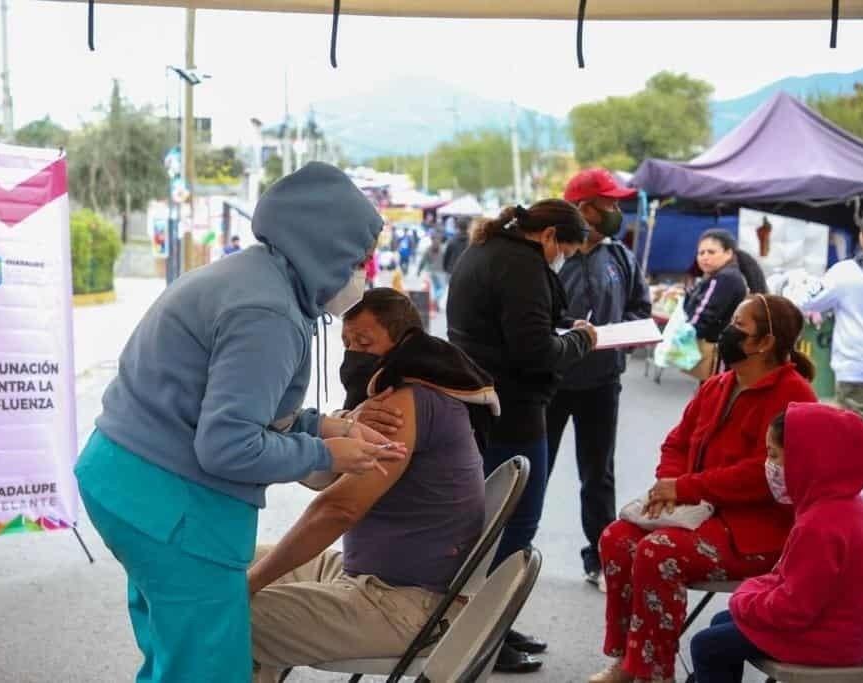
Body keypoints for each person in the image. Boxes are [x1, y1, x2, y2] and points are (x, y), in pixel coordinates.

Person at [74, 162, 406, 683]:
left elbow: (247, 406)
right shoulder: (268, 312)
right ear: (323, 247)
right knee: (207, 668)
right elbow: (227, 445)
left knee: (174, 655)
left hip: (128, 483)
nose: (364, 273)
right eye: (358, 258)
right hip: (169, 504)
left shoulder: (254, 278)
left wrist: (327, 427)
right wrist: (327, 455)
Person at [249, 289, 492, 683]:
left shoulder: (405, 400)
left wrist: (253, 585)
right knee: (228, 560)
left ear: (403, 342)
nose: (353, 355)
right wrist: (347, 422)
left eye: (364, 343)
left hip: (401, 601)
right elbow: (321, 475)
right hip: (368, 573)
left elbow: (336, 507)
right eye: (347, 343)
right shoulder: (393, 395)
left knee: (224, 611)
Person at [590, 294, 818, 683]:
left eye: (739, 327)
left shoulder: (794, 397)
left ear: (764, 343)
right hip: (697, 512)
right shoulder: (718, 385)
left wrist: (685, 487)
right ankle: (629, 660)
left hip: (754, 532)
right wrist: (669, 488)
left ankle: (652, 671)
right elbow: (676, 442)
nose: (728, 332)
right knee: (616, 538)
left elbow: (762, 474)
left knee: (657, 552)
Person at [448, 200, 597, 673]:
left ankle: (491, 621)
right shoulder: (521, 266)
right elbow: (534, 351)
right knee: (514, 523)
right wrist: (582, 339)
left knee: (487, 521)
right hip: (512, 409)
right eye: (565, 251)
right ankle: (486, 633)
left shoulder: (485, 248)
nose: (562, 260)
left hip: (479, 403)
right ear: (549, 235)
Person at [690, 403, 863, 683]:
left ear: (807, 459)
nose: (769, 465)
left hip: (826, 639)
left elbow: (793, 609)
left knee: (706, 645)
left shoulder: (819, 525)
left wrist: (745, 597)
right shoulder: (846, 506)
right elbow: (791, 583)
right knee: (722, 623)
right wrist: (752, 594)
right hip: (842, 631)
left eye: (773, 455)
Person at [550, 168, 652, 591]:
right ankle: (503, 557)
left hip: (602, 383)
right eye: (608, 204)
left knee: (598, 475)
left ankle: (601, 559)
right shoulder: (551, 257)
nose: (615, 211)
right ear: (582, 208)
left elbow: (639, 308)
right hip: (550, 382)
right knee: (531, 471)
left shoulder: (621, 258)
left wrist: (621, 334)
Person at [802, 223, 863, 421]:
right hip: (857, 368)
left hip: (857, 369)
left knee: (858, 431)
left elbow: (807, 300)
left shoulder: (845, 273)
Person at [681, 229, 750, 379]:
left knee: (716, 394)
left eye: (711, 252)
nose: (705, 257)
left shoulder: (724, 278)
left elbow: (703, 313)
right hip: (727, 350)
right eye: (701, 253)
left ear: (728, 253)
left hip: (720, 351)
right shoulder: (725, 275)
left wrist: (684, 335)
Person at [418, 230, 448, 310]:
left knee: (436, 288)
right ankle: (434, 300)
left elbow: (423, 261)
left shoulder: (428, 249)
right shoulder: (443, 249)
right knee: (442, 289)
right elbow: (447, 260)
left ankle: (436, 305)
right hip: (441, 271)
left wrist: (419, 270)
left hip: (431, 271)